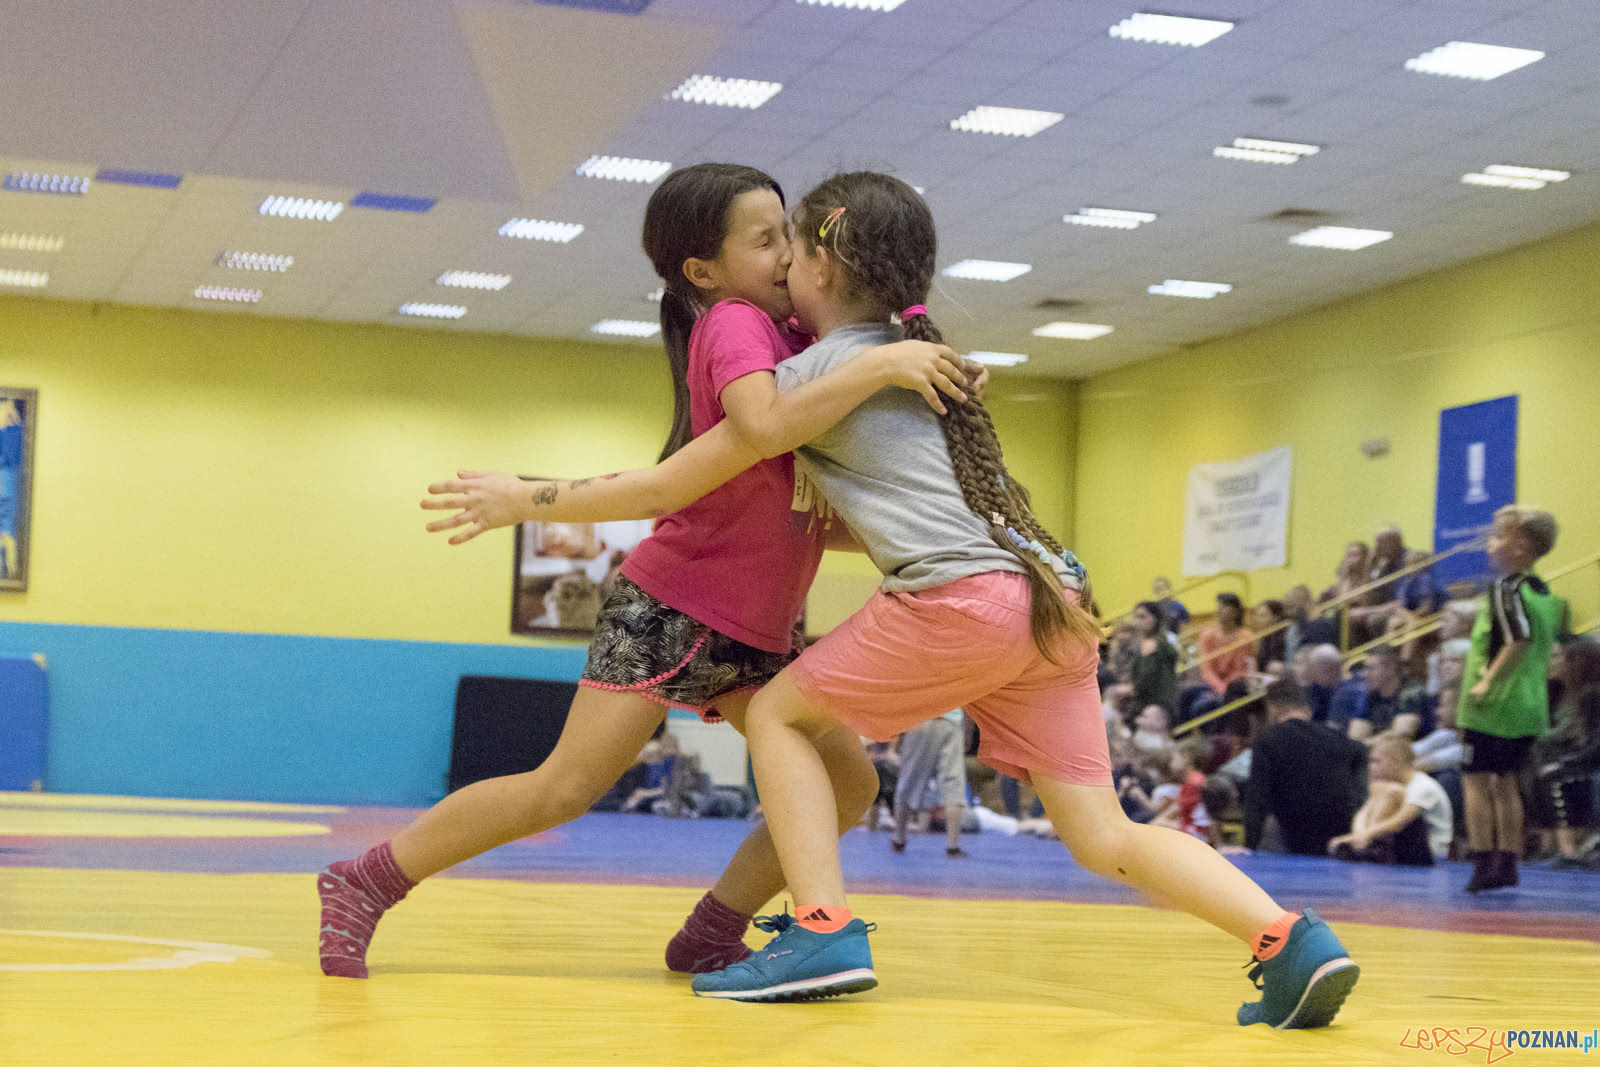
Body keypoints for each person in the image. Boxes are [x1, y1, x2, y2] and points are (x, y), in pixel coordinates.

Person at [447, 172, 1360, 1026]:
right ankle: (1286, 938)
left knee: (779, 716)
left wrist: (527, 498)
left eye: (790, 250)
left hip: (964, 599)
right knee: (1102, 828)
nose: (779, 268)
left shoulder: (812, 376)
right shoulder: (925, 360)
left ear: (824, 267)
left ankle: (818, 928)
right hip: (1051, 595)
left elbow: (696, 468)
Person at [317, 163, 974, 981]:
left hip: (760, 627)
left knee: (846, 783)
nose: (784, 253)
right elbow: (759, 433)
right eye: (763, 239)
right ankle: (364, 880)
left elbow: (798, 510)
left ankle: (714, 928)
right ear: (704, 271)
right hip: (674, 606)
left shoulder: (807, 342)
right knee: (560, 789)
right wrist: (529, 497)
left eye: (789, 236)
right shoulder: (736, 323)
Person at [1459, 505, 1562, 893]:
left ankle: (1483, 861)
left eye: (1499, 536)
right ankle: (1508, 862)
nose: (1491, 543)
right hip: (1529, 704)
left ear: (1520, 546)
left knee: (1475, 781)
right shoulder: (1542, 589)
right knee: (1506, 783)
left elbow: (1517, 638)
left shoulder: (1507, 587)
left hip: (1496, 705)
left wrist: (1486, 681)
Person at [1244, 679, 1368, 858]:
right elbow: (1359, 786)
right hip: (1340, 836)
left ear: (1272, 708)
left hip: (1295, 835)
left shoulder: (1268, 739)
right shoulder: (1341, 740)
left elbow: (1257, 797)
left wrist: (1249, 847)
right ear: (1306, 709)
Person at [1529, 638, 1600, 868]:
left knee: (1555, 775)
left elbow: (1595, 746)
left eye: (1563, 659)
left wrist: (1566, 763)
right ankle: (1551, 847)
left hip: (1590, 760)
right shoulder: (1560, 692)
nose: (1554, 663)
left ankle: (1568, 850)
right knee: (1540, 770)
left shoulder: (1591, 696)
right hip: (1586, 757)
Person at [1329, 737, 1452, 866]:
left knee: (1392, 791)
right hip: (1400, 848)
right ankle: (1363, 849)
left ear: (1396, 762)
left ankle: (1366, 848)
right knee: (1383, 790)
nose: (1370, 767)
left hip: (1432, 854)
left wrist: (1358, 837)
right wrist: (1358, 836)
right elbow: (1364, 813)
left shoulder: (1423, 786)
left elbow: (1398, 823)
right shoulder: (1385, 786)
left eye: (1376, 761)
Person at [890, 709, 969, 857]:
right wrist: (967, 729)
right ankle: (953, 846)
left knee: (908, 781)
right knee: (953, 782)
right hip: (952, 720)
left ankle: (899, 839)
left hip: (920, 718)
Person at [1333, 645, 1433, 742]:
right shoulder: (1371, 696)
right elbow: (1355, 738)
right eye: (1365, 668)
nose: (1365, 674)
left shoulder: (1412, 692)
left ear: (1390, 669)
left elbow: (1399, 738)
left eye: (1371, 669)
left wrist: (1365, 744)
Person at [1197, 593, 1257, 697]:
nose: (1219, 610)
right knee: (1189, 696)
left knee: (1205, 705)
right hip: (1211, 685)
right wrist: (1219, 687)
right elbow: (1207, 669)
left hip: (1236, 685)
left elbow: (1239, 670)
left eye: (1224, 607)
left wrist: (1225, 688)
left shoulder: (1245, 637)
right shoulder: (1207, 635)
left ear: (1236, 612)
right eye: (1218, 606)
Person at [1128, 601, 1179, 714]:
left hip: (1159, 705)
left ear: (1155, 619)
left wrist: (1130, 690)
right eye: (1136, 617)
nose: (1138, 622)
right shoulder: (1136, 645)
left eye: (1142, 617)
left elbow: (1147, 678)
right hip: (1143, 701)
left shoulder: (1160, 644)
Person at [1251, 599, 1289, 678]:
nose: (1257, 620)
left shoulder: (1284, 638)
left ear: (1276, 618)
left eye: (1263, 616)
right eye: (1257, 616)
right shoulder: (1265, 638)